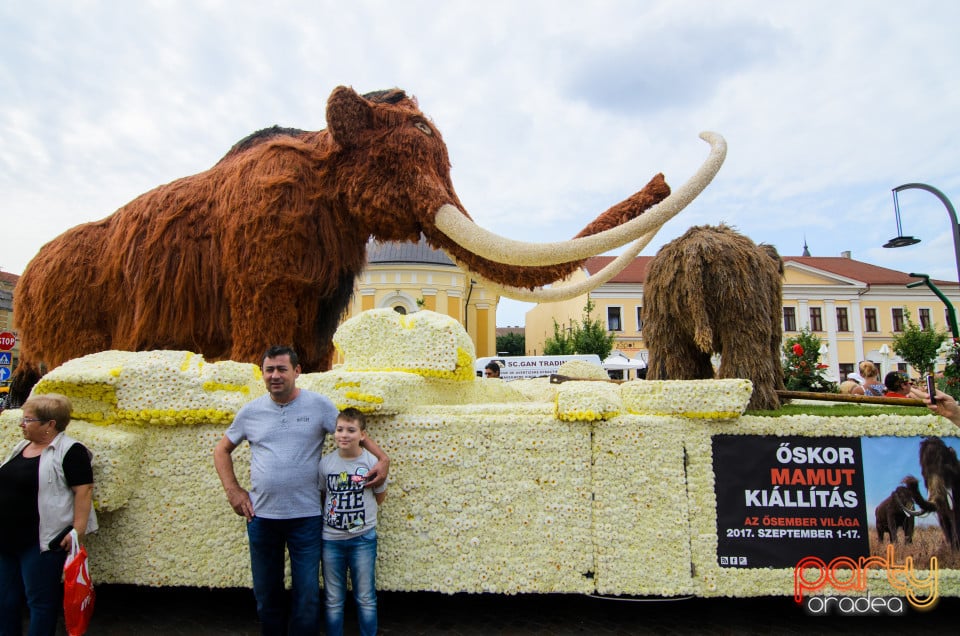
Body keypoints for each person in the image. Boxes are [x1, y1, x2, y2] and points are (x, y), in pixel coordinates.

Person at [214, 346, 389, 636]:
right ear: (262, 374)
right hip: (261, 517)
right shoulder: (251, 412)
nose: (275, 376)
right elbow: (222, 450)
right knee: (267, 593)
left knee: (307, 595)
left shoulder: (318, 406)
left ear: (297, 371)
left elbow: (350, 429)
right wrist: (233, 491)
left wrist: (382, 459)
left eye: (282, 369)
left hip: (306, 517)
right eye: (269, 370)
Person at [0, 393, 97, 636]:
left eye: (28, 419)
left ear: (50, 424)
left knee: (40, 602)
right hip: (7, 537)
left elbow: (83, 491)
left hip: (41, 541)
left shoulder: (71, 451)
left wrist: (78, 529)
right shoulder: (22, 446)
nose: (22, 424)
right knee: (5, 598)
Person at [319, 408, 387, 636]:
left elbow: (379, 495)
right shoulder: (326, 464)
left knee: (366, 596)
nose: (344, 435)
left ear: (362, 435)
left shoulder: (372, 463)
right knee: (333, 598)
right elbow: (323, 494)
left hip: (363, 539)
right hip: (331, 539)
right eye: (339, 430)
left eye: (351, 430)